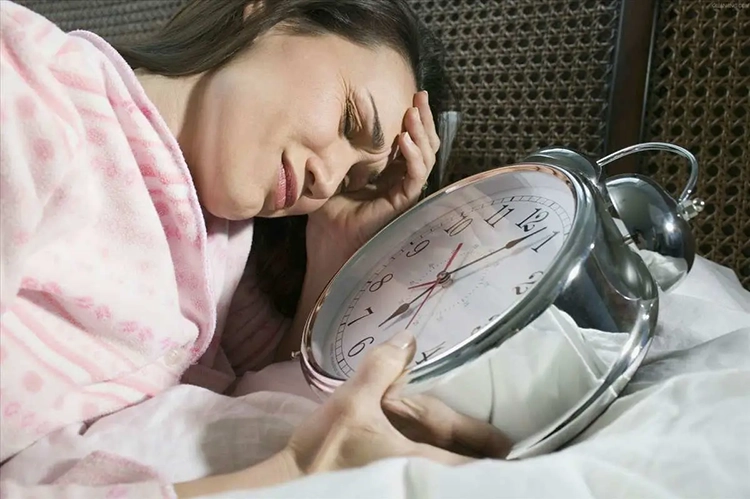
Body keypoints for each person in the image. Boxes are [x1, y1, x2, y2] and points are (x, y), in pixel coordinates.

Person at [0, 0, 510, 497]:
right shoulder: (32, 82)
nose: (327, 179)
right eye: (348, 120)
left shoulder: (223, 244)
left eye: (354, 179)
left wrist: (334, 244)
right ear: (268, 13)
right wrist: (293, 471)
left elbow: (267, 385)